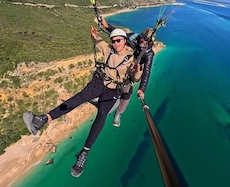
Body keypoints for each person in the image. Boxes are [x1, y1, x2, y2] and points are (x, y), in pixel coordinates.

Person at [23, 26, 141, 177]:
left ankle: (84, 153)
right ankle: (42, 119)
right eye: (113, 41)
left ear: (124, 41)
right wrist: (93, 34)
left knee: (103, 114)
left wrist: (137, 70)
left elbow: (135, 78)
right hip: (99, 82)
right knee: (79, 98)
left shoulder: (131, 58)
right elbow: (98, 41)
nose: (116, 43)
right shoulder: (109, 50)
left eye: (118, 40)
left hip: (113, 89)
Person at [101, 17, 155, 127]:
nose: (142, 41)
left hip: (131, 71)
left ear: (149, 42)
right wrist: (107, 26)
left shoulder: (149, 53)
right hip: (120, 64)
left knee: (126, 94)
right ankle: (101, 98)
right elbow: (119, 35)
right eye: (142, 37)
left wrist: (141, 88)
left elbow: (147, 71)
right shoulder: (133, 37)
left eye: (145, 40)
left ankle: (118, 113)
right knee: (109, 79)